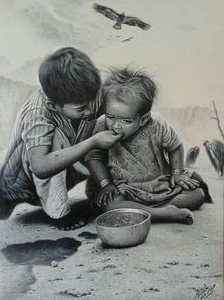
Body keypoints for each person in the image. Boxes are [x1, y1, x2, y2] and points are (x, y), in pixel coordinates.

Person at [0, 47, 123, 227]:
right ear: (54, 106)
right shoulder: (38, 115)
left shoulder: (86, 93)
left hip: (70, 164)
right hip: (25, 180)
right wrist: (93, 141)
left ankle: (98, 192)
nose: (91, 110)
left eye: (92, 102)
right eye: (81, 108)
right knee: (55, 139)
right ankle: (59, 214)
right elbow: (40, 166)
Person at [85, 67, 212, 224]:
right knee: (110, 205)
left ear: (143, 119)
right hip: (126, 189)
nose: (115, 126)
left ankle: (149, 211)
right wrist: (106, 184)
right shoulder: (102, 125)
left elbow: (175, 146)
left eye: (126, 121)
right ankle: (164, 213)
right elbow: (94, 157)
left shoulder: (156, 124)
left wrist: (177, 173)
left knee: (197, 194)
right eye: (111, 117)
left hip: (159, 183)